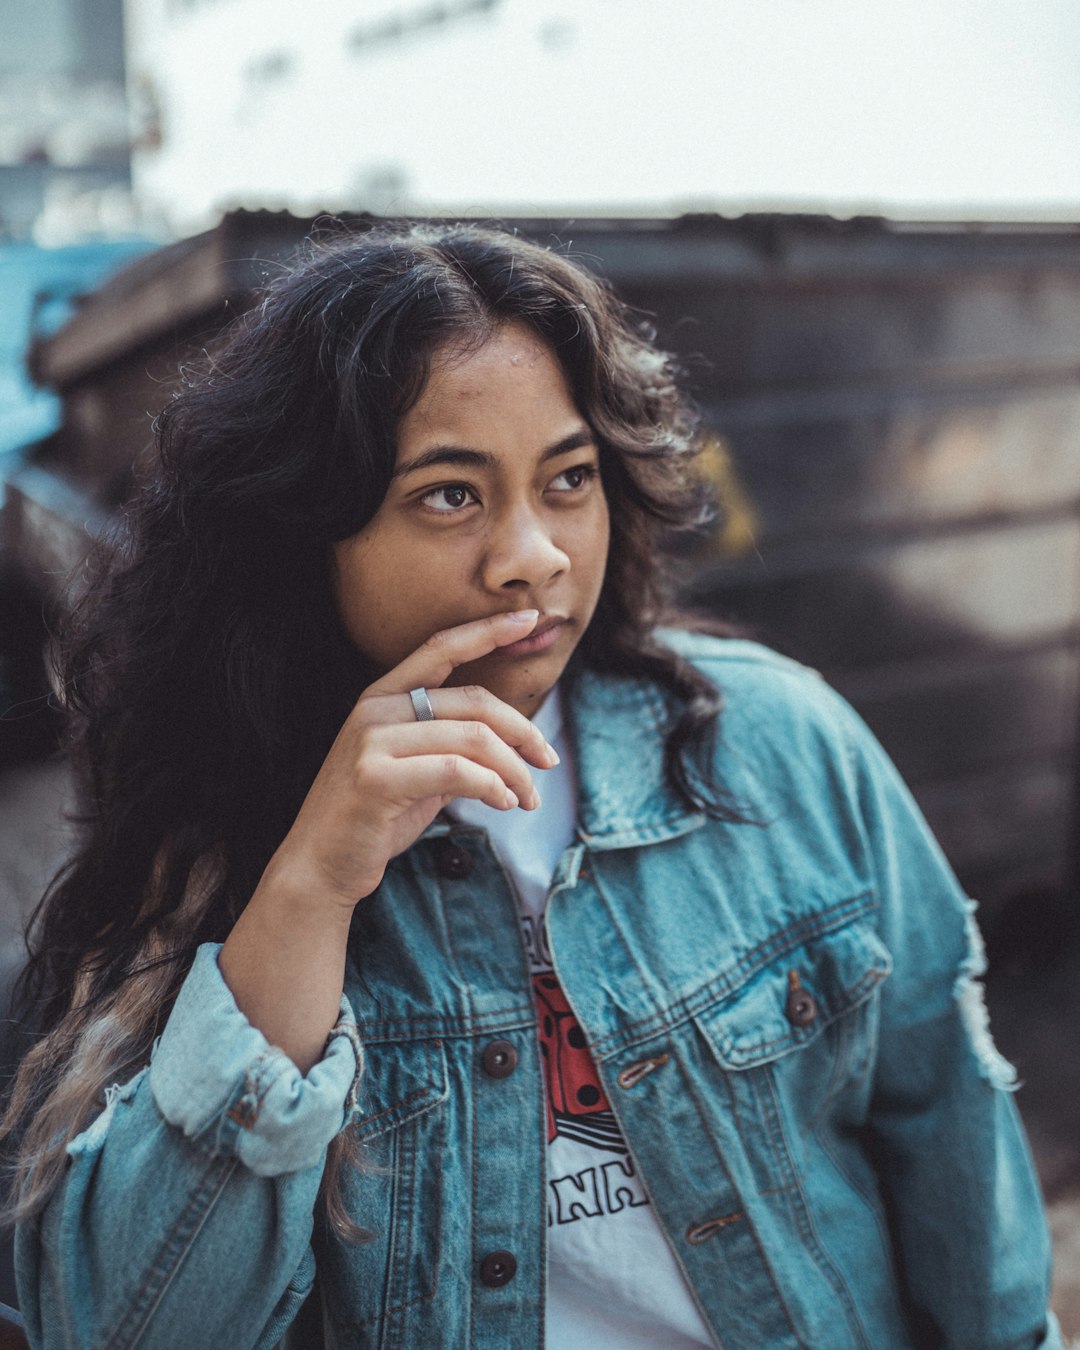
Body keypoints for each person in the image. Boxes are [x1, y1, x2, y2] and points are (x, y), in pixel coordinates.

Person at [0, 222, 1061, 1349]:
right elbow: (125, 1322)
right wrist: (310, 886)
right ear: (304, 531)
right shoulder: (209, 836)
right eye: (450, 496)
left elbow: (954, 1157)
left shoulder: (773, 743)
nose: (533, 555)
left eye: (568, 479)